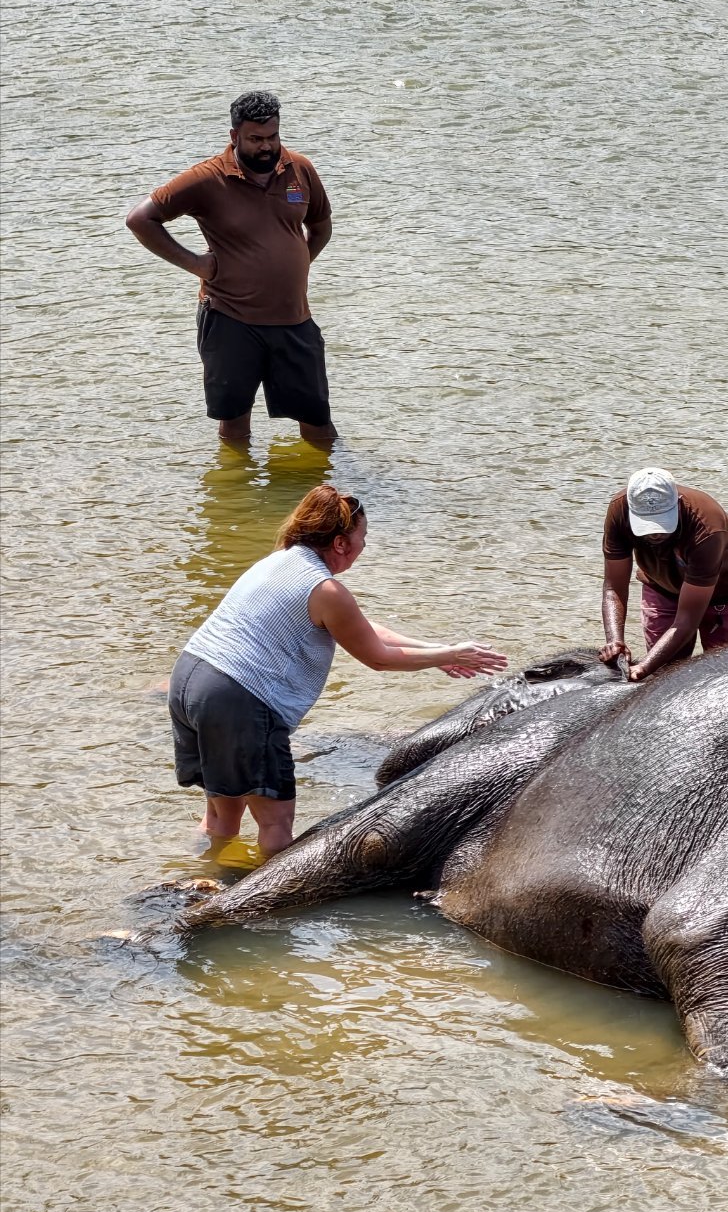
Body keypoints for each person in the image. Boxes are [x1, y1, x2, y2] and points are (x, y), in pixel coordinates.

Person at [168, 485, 508, 856]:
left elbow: (360, 628)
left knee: (222, 815)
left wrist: (440, 652)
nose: (364, 546)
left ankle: (197, 874)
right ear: (342, 543)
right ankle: (263, 910)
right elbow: (376, 658)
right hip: (238, 699)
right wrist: (450, 654)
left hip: (191, 679)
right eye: (363, 537)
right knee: (276, 825)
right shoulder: (326, 589)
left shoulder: (281, 560)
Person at [126, 91, 337, 445]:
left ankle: (325, 489)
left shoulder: (299, 168)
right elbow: (140, 219)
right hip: (230, 320)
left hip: (295, 320)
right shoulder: (207, 179)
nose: (267, 147)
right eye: (256, 139)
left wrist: (297, 265)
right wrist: (198, 266)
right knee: (235, 428)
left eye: (273, 137)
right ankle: (237, 499)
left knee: (319, 426)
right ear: (235, 136)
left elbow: (321, 227)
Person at [599, 468, 728, 682]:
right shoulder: (619, 510)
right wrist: (615, 643)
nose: (655, 533)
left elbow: (686, 620)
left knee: (726, 677)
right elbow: (614, 587)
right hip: (663, 587)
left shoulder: (706, 527)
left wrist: (643, 668)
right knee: (665, 676)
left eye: (661, 523)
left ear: (677, 503)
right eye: (646, 525)